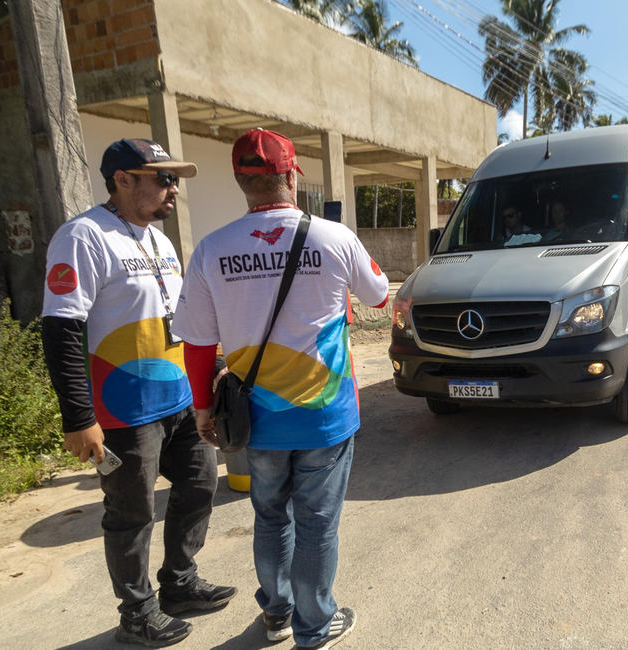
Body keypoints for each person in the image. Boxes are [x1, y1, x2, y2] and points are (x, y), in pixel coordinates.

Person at [173, 129, 389, 650]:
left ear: (240, 181)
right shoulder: (334, 237)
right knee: (316, 522)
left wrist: (203, 407)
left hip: (254, 416)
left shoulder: (211, 249)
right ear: (293, 176)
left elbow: (198, 344)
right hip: (323, 414)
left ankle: (276, 613)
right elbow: (380, 295)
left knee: (269, 515)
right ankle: (315, 627)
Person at [40, 138, 235, 648]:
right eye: (162, 178)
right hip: (123, 410)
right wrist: (78, 417)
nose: (173, 188)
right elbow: (61, 330)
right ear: (122, 179)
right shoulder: (83, 237)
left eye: (174, 179)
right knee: (131, 513)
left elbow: (180, 317)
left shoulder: (159, 241)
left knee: (198, 488)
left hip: (176, 400)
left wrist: (210, 373)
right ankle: (137, 611)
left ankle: (179, 584)